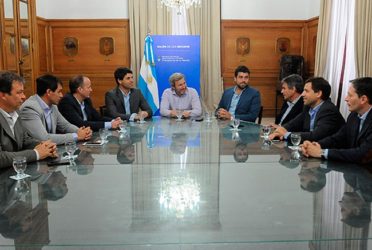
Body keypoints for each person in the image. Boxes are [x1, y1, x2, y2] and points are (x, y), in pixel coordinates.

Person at [302, 77, 372, 163]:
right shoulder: (353, 116)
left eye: (350, 95)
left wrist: (322, 152)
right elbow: (338, 138)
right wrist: (316, 145)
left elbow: (362, 153)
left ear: (363, 99)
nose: (346, 98)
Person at [0, 71, 57, 168]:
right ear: (3, 95)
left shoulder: (16, 112)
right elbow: (1, 158)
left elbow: (25, 140)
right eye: (19, 92)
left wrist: (45, 146)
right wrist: (36, 154)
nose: (24, 96)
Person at [20, 74, 92, 145]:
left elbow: (65, 126)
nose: (61, 95)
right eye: (59, 91)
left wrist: (81, 131)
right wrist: (76, 136)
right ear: (49, 92)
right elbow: (43, 138)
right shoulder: (30, 108)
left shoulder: (53, 106)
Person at [269, 77, 345, 142]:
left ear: (318, 93)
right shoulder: (308, 107)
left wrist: (286, 134)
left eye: (306, 91)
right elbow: (294, 123)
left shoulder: (328, 110)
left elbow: (315, 136)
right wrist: (280, 130)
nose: (302, 94)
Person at [58, 75, 122, 131]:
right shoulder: (66, 102)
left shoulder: (86, 100)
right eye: (88, 87)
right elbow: (80, 124)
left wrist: (113, 121)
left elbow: (98, 117)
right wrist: (110, 124)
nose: (91, 90)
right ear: (80, 89)